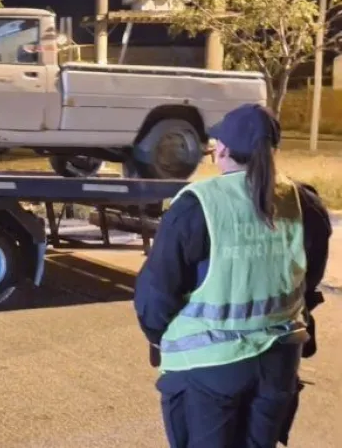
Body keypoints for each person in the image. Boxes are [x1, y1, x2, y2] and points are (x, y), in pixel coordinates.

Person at [133, 103, 332, 448]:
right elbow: (308, 282)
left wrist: (156, 336)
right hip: (279, 362)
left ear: (221, 150)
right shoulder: (304, 203)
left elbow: (157, 294)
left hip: (209, 370)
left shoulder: (197, 206)